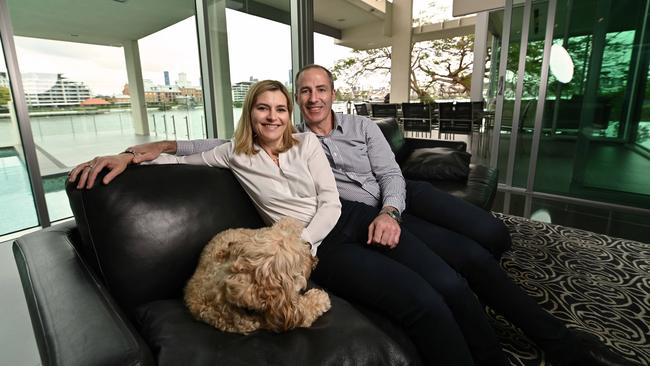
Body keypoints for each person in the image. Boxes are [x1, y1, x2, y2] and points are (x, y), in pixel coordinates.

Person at [70, 68, 634, 366]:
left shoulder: (312, 143)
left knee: (453, 277)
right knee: (424, 299)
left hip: (343, 224)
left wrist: (314, 238)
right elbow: (181, 146)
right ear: (252, 113)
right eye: (265, 107)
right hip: (323, 249)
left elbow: (337, 200)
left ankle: (555, 344)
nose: (275, 115)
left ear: (308, 104)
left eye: (282, 108)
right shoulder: (232, 151)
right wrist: (129, 153)